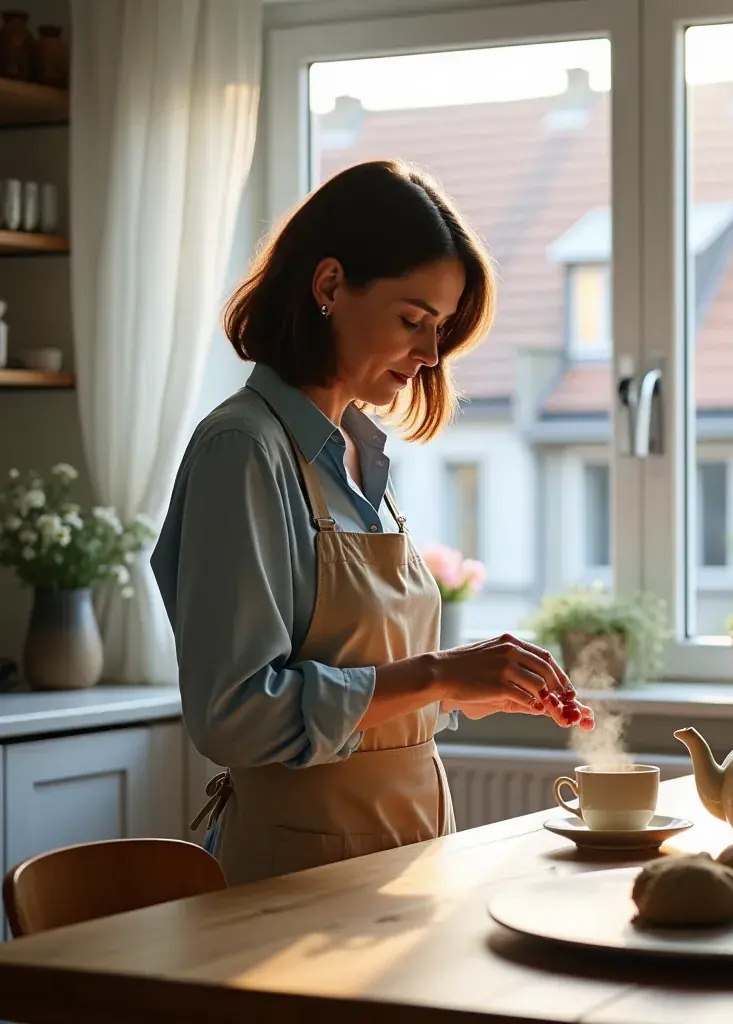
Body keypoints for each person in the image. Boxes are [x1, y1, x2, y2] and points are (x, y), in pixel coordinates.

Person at [152, 160, 593, 886]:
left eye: (441, 328)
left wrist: (454, 688)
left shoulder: (361, 456)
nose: (428, 355)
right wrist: (435, 673)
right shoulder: (243, 450)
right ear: (329, 286)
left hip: (409, 851)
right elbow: (233, 715)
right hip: (299, 871)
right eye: (412, 320)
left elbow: (359, 678)